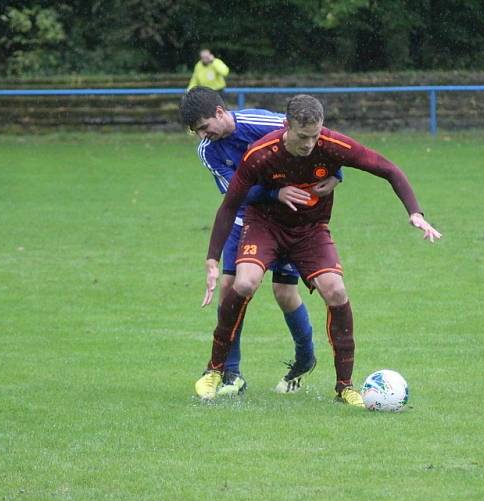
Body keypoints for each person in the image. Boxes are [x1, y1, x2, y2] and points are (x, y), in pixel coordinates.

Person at [195, 94, 441, 407]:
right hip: (264, 225)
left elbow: (387, 168)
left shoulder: (330, 144)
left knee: (336, 291)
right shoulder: (260, 153)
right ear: (287, 127)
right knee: (243, 283)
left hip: (309, 230)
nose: (310, 144)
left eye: (315, 135)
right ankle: (216, 370)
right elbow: (230, 204)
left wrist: (414, 212)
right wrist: (212, 259)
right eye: (302, 137)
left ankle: (345, 387)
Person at [180, 87, 342, 397]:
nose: (203, 135)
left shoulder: (264, 123)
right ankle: (232, 373)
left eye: (204, 127)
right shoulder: (208, 150)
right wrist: (272, 193)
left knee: (284, 291)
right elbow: (235, 193)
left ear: (218, 112)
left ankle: (305, 358)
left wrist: (337, 174)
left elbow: (316, 138)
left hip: (287, 218)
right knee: (231, 289)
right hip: (244, 218)